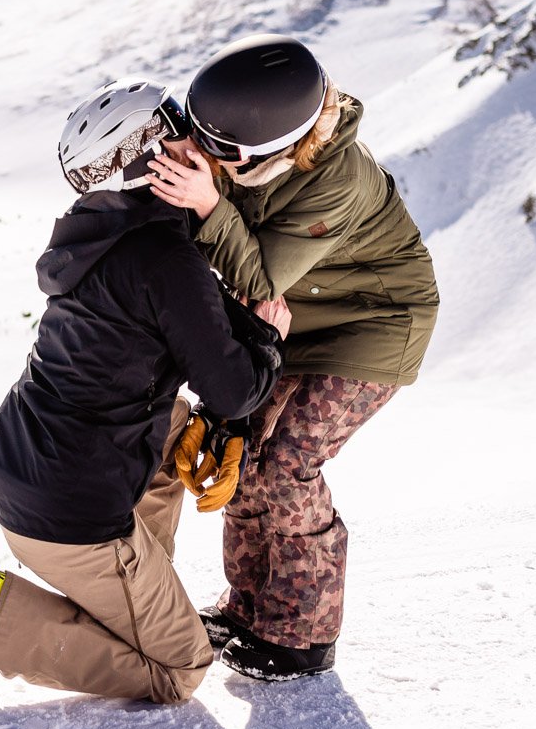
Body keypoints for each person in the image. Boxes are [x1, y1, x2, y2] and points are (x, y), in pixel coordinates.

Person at [0, 79, 289, 706]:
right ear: (155, 158)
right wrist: (270, 343)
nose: (198, 142)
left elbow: (176, 329)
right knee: (180, 669)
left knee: (171, 418)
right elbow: (233, 391)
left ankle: (136, 590)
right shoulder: (166, 260)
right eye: (179, 131)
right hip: (72, 512)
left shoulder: (98, 237)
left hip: (23, 463)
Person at [148, 34, 440, 681]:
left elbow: (258, 277)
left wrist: (205, 204)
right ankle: (248, 609)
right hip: (291, 320)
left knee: (286, 467)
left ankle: (302, 636)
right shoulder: (249, 144)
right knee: (245, 456)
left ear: (273, 146)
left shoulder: (337, 182)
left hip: (372, 325)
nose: (208, 156)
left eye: (223, 152)